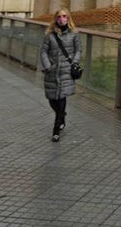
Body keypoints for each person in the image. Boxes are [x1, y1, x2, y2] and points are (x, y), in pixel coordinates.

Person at [39, 8, 81, 142]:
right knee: (52, 100)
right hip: (52, 71)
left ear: (68, 19)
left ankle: (56, 131)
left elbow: (78, 51)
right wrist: (47, 66)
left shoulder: (74, 34)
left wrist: (74, 64)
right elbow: (43, 52)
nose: (61, 19)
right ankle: (61, 115)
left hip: (66, 72)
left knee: (62, 99)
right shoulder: (50, 35)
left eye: (64, 16)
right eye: (59, 17)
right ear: (55, 19)